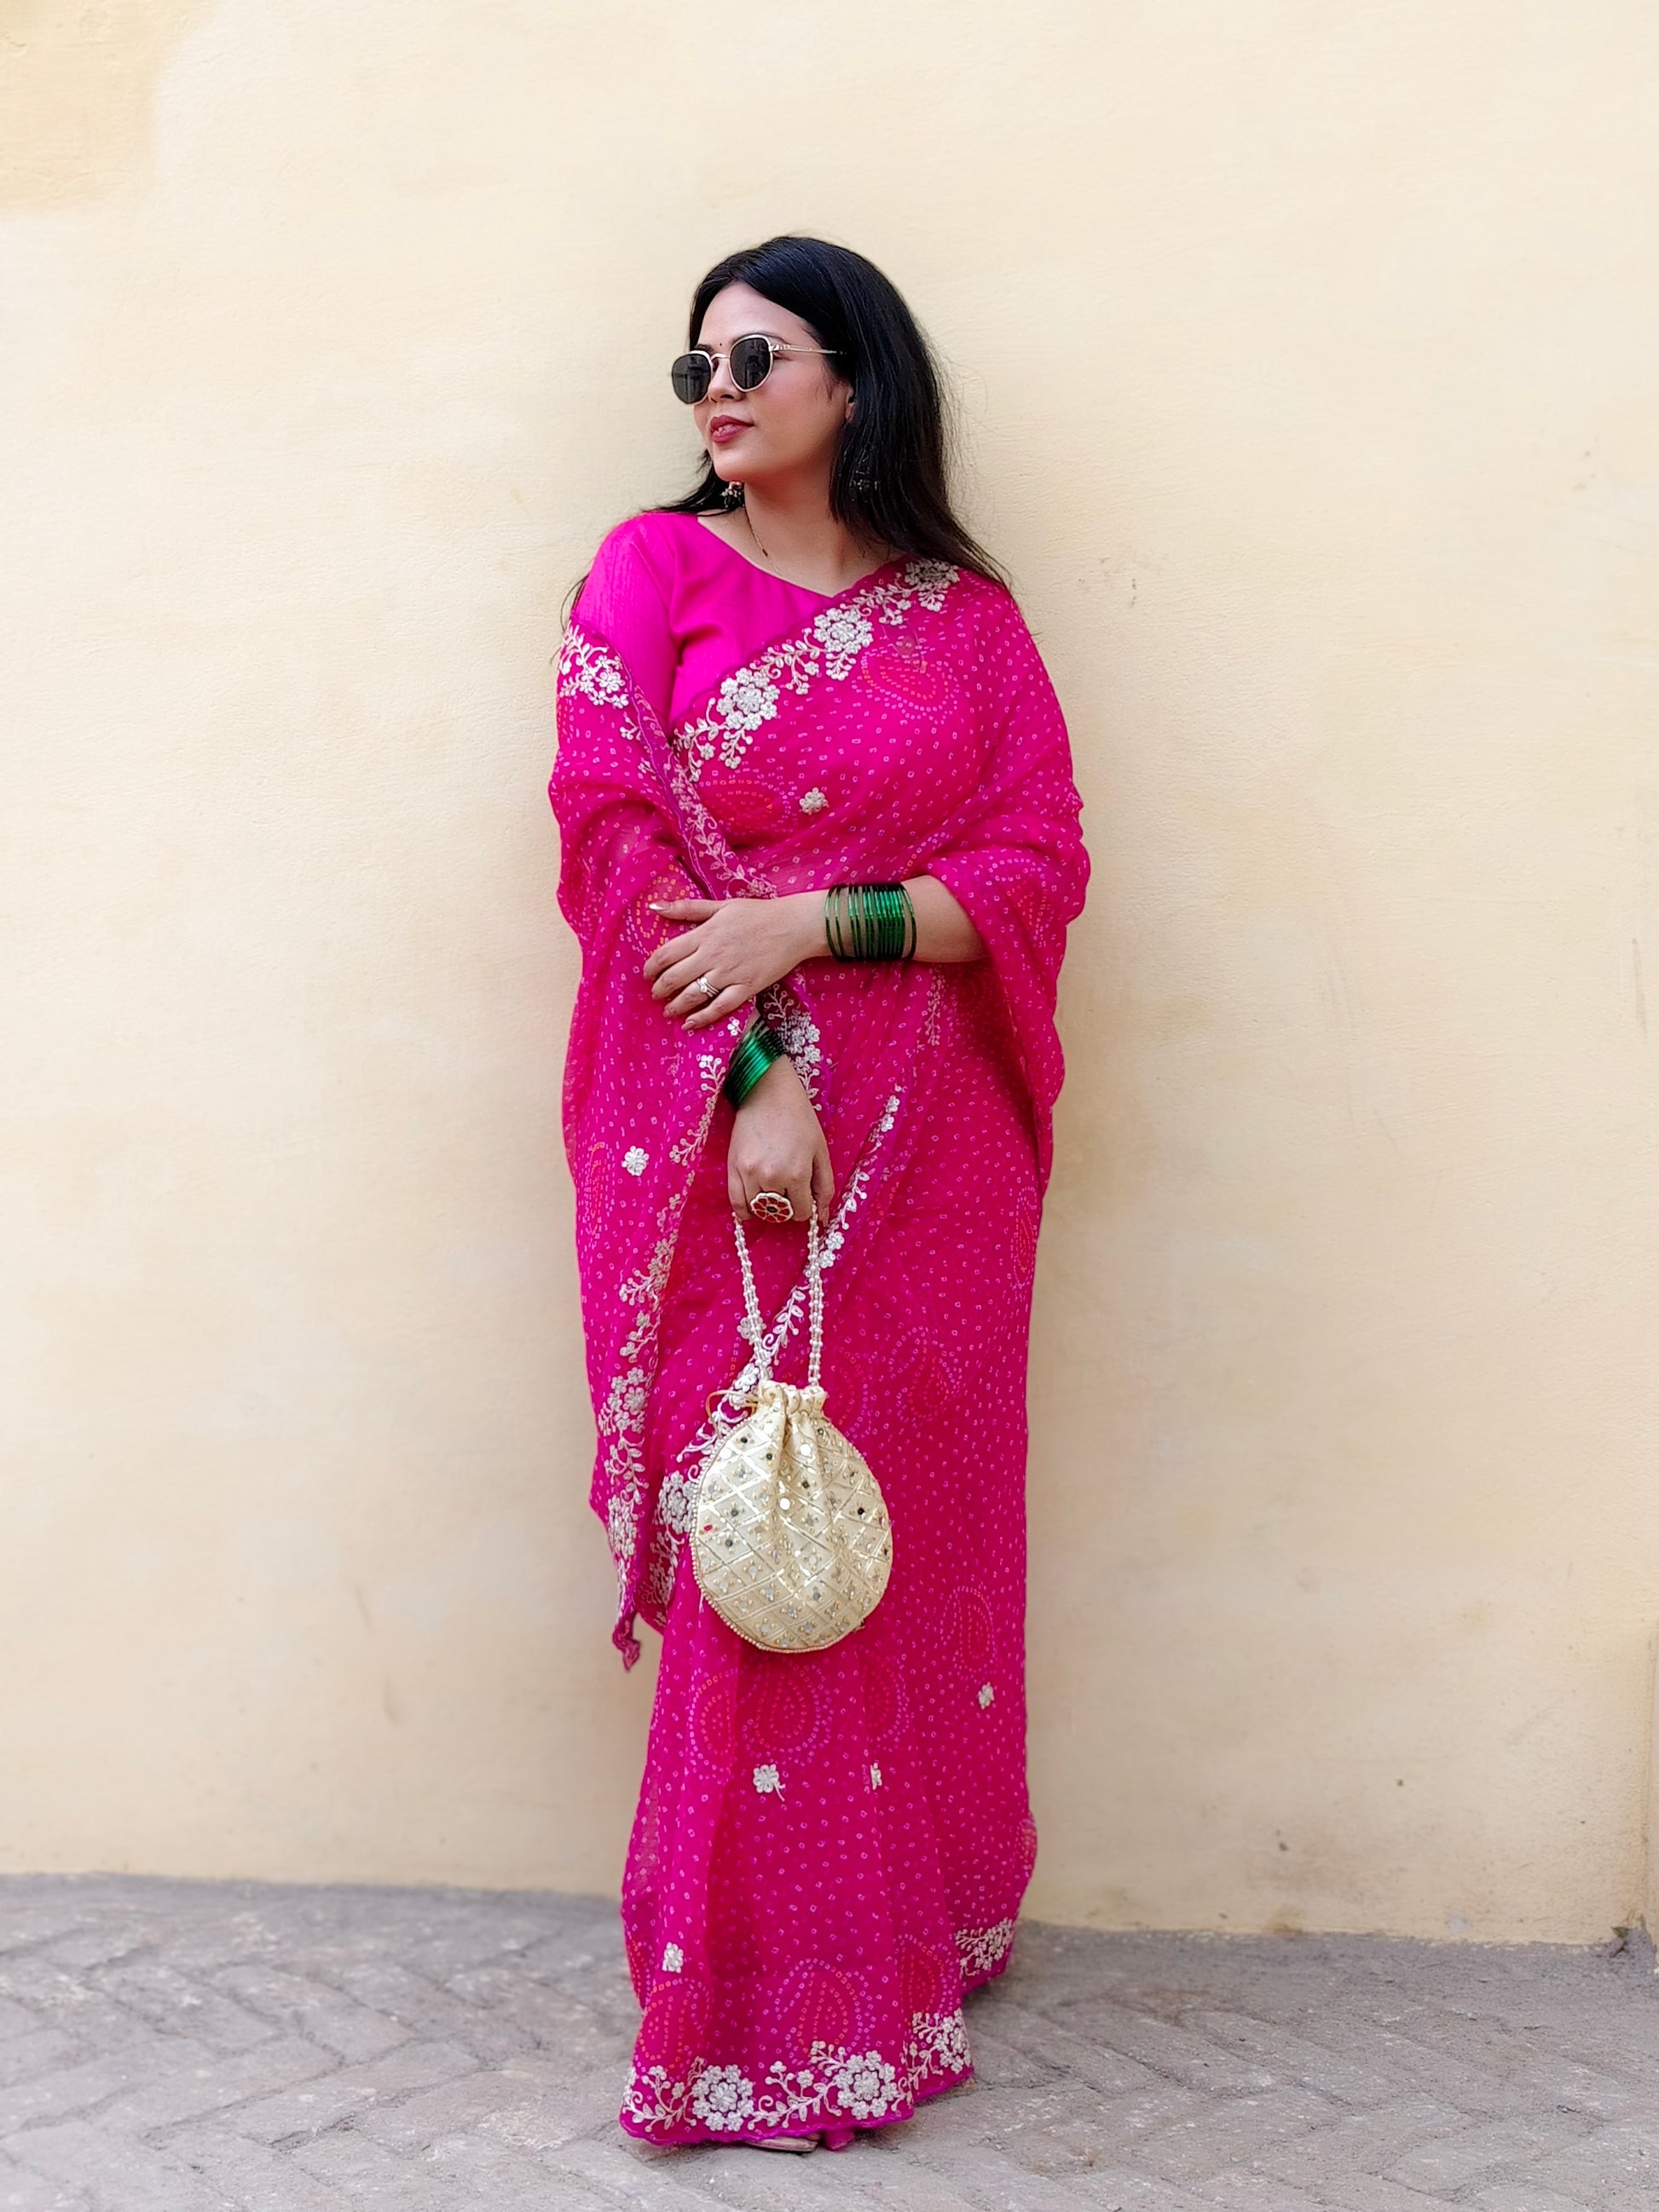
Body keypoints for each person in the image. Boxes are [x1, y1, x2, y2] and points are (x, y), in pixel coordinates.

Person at [548, 235, 1089, 2154]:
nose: (714, 387)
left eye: (754, 354)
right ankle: (762, 2008)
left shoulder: (965, 618)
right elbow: (609, 831)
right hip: (736, 1126)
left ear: (853, 378)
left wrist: (820, 915)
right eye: (691, 361)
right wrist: (761, 1069)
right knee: (762, 1527)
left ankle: (908, 1937)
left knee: (903, 1528)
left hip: (943, 1150)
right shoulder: (652, 572)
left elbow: (1039, 862)